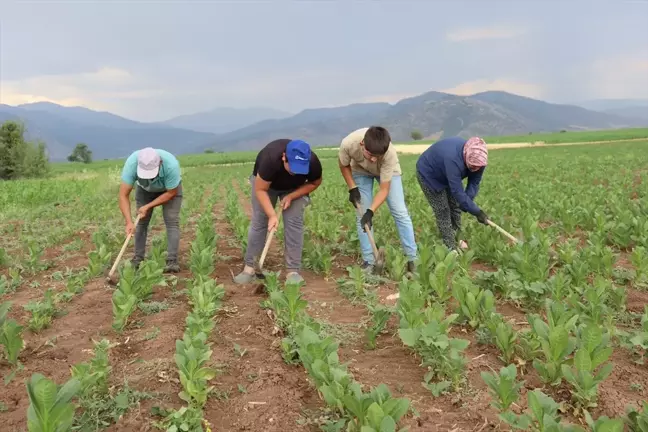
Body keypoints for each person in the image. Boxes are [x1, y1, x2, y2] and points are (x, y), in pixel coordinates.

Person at [233, 139, 322, 285]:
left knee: (294, 222)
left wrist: (292, 196)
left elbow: (314, 182)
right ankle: (250, 269)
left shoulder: (312, 162)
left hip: (295, 188)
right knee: (260, 222)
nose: (295, 172)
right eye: (292, 168)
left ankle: (293, 271)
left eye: (300, 169)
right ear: (284, 158)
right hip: (266, 186)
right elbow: (260, 189)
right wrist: (272, 215)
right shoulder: (270, 160)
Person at [338, 126, 417, 274]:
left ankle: (413, 259)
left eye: (378, 156)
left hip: (387, 171)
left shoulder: (389, 154)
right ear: (362, 145)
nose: (374, 159)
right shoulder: (348, 144)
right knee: (361, 217)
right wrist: (352, 187)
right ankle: (369, 261)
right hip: (360, 171)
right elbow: (343, 165)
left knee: (400, 212)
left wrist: (371, 211)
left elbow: (384, 189)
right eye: (371, 155)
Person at [415, 136, 489, 252]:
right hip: (429, 174)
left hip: (446, 173)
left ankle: (458, 237)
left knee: (455, 207)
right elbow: (457, 191)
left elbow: (474, 183)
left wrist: (467, 203)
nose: (475, 169)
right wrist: (477, 212)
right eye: (472, 166)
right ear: (466, 157)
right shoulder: (453, 160)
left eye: (477, 168)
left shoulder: (480, 159)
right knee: (443, 210)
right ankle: (450, 247)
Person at [119, 147, 183, 273]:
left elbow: (171, 193)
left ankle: (172, 261)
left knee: (171, 221)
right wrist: (128, 222)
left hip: (168, 190)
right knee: (140, 223)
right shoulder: (132, 163)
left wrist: (148, 206)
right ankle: (138, 259)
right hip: (144, 190)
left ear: (160, 163)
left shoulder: (171, 165)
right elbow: (123, 195)